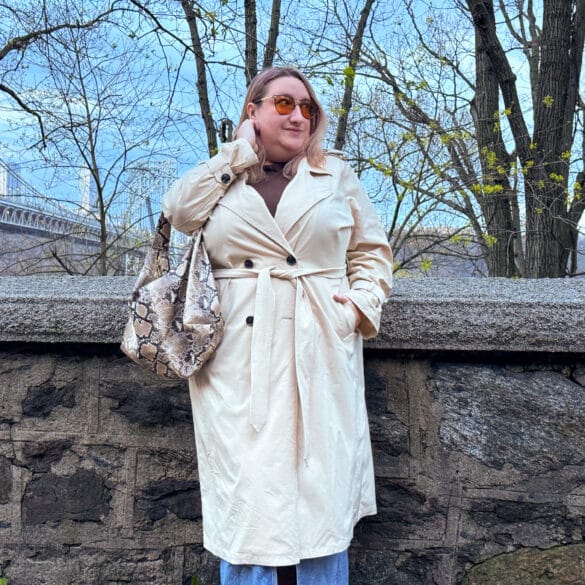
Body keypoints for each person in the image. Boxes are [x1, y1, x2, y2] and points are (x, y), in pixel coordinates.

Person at [162, 66, 393, 585]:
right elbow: (178, 211)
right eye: (284, 104)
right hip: (237, 360)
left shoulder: (334, 174)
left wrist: (355, 308)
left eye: (308, 108)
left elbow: (373, 255)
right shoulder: (225, 172)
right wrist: (237, 155)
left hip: (319, 346)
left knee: (320, 501)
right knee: (248, 504)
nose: (298, 116)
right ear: (254, 111)